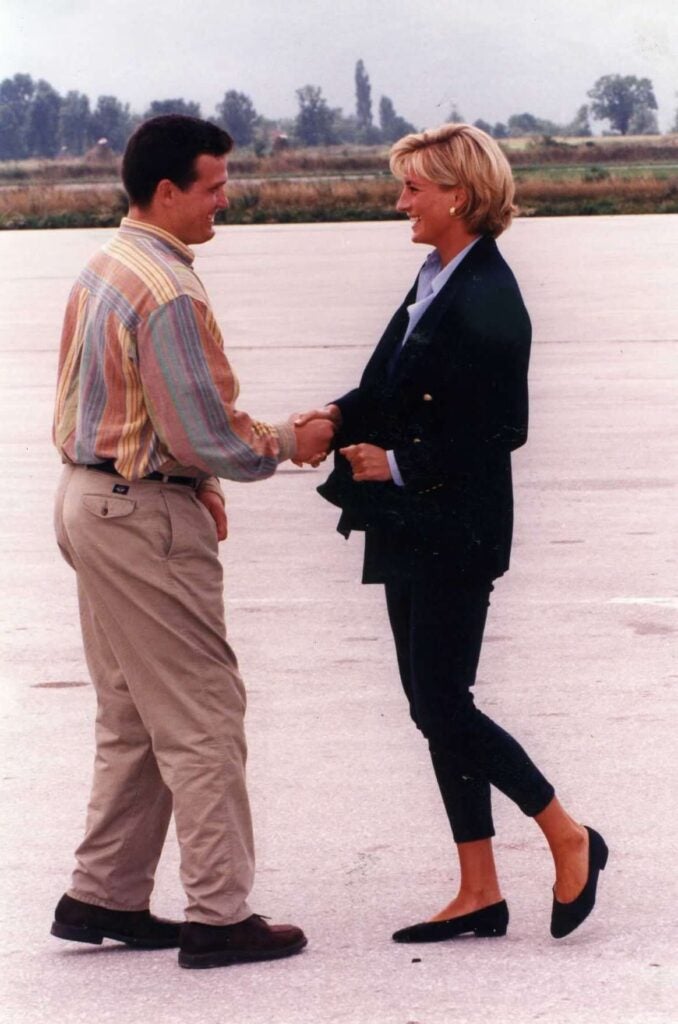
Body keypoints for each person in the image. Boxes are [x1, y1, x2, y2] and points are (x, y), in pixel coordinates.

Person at [297, 123, 607, 943]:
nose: (400, 201)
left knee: (443, 701)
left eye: (412, 189)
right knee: (430, 704)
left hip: (456, 527)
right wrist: (334, 417)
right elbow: (384, 386)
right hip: (413, 524)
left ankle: (566, 834)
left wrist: (395, 464)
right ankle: (478, 887)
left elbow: (503, 427)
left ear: (457, 196)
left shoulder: (489, 294)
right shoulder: (435, 275)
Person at [50, 115, 332, 969]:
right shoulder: (168, 290)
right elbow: (206, 427)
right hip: (141, 518)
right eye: (212, 186)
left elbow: (122, 406)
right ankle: (219, 915)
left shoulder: (107, 265)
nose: (224, 199)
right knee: (204, 716)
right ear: (166, 191)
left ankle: (103, 894)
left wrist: (197, 478)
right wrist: (290, 441)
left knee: (134, 713)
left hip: (88, 500)